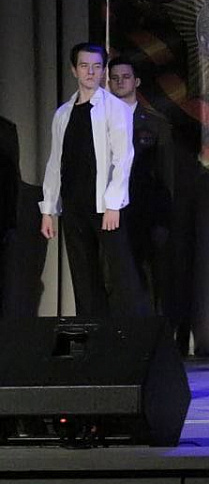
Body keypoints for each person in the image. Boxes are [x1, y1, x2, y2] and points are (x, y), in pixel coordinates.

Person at [39, 43, 149, 317]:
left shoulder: (114, 108)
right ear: (74, 70)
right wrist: (48, 209)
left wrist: (113, 204)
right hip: (73, 203)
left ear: (103, 71)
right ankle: (92, 333)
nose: (91, 72)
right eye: (85, 66)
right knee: (83, 276)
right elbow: (55, 162)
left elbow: (122, 157)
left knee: (122, 274)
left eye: (97, 67)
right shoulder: (63, 114)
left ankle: (135, 334)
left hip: (104, 203)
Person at [107, 56, 175, 315]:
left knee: (151, 276)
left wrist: (164, 220)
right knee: (115, 277)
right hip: (113, 212)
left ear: (136, 81)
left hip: (147, 212)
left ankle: (154, 331)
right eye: (115, 78)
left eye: (125, 77)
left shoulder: (154, 123)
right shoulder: (100, 122)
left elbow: (166, 175)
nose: (120, 82)